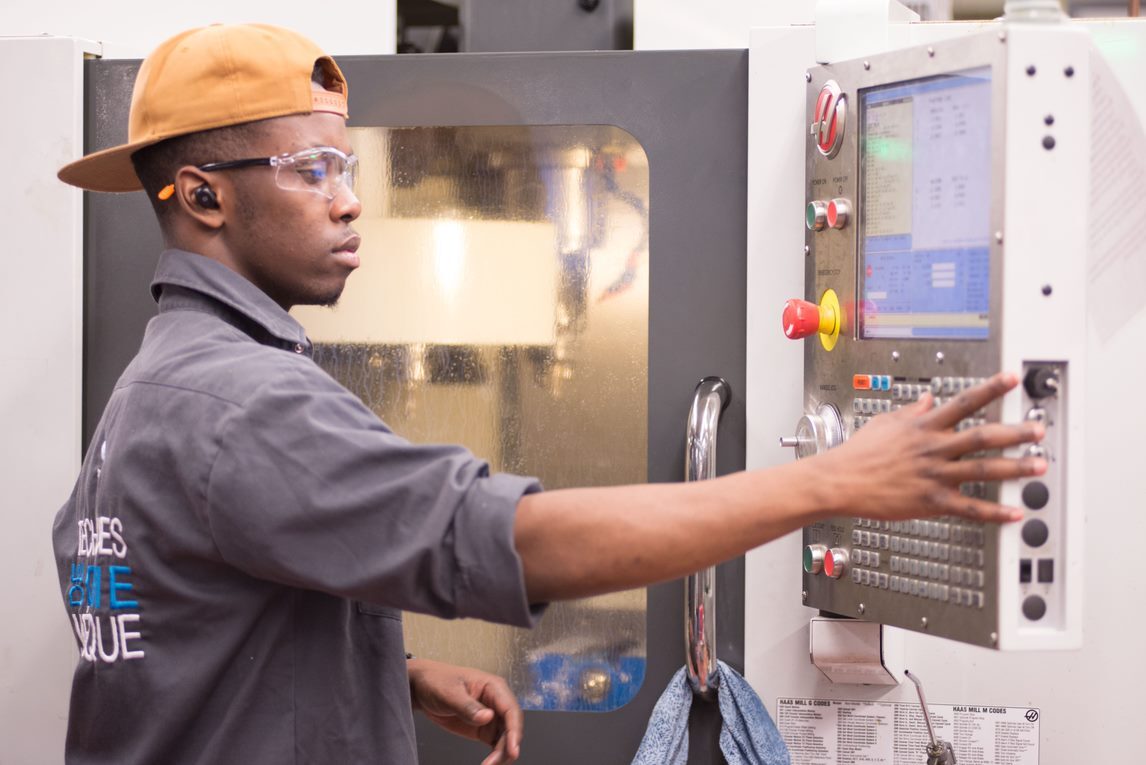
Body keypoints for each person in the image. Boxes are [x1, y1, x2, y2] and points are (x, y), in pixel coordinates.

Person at [53, 23, 1045, 765]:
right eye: (311, 169)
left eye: (346, 166)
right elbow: (517, 543)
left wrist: (381, 678)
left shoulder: (160, 388)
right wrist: (829, 482)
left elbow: (183, 633)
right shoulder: (237, 403)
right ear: (202, 195)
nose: (351, 198)